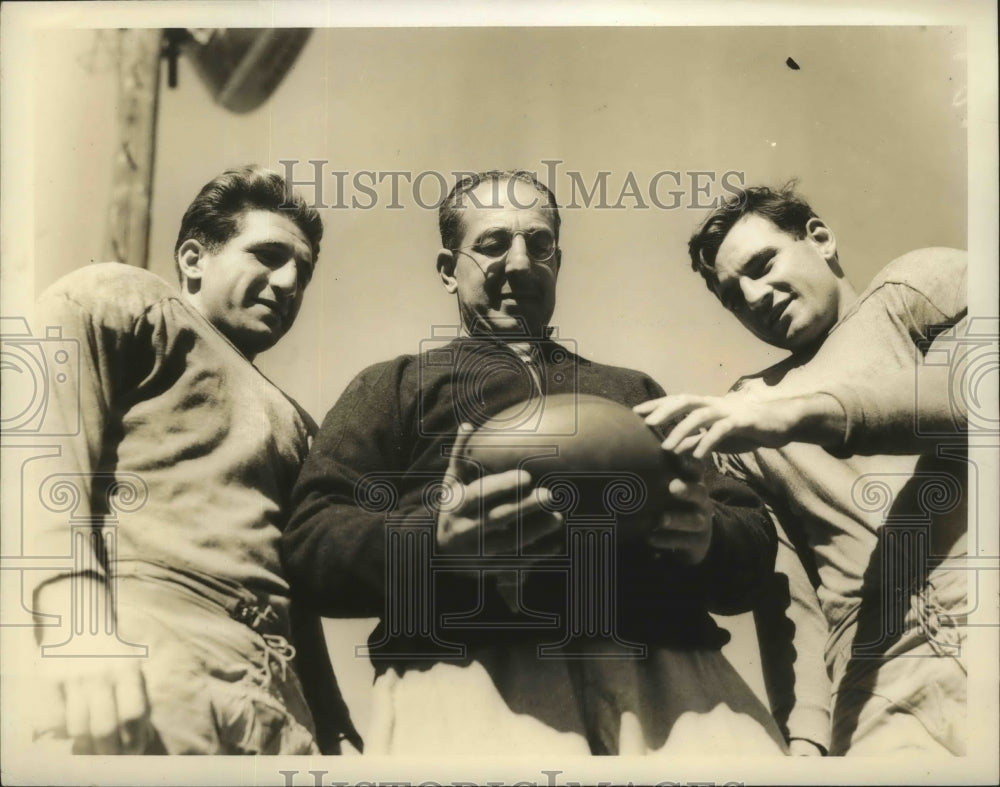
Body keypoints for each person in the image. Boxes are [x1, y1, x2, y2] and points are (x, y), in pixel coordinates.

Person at [283, 170, 788, 756]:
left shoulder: (631, 390)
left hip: (675, 684)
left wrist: (708, 537)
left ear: (557, 262)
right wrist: (434, 539)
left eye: (539, 244)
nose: (520, 263)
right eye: (494, 244)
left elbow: (750, 533)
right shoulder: (395, 384)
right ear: (449, 270)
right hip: (470, 686)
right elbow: (311, 540)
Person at [28, 165, 356, 754]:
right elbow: (39, 449)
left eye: (302, 272)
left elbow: (297, 589)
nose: (288, 283)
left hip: (278, 708)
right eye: (268, 256)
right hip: (147, 665)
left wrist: (330, 720)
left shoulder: (301, 425)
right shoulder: (125, 300)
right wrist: (76, 624)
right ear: (194, 258)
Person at [637, 184, 968, 755]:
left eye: (762, 266)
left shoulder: (915, 288)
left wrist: (793, 414)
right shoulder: (744, 418)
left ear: (820, 238)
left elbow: (974, 398)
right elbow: (790, 597)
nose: (755, 296)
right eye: (733, 296)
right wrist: (805, 735)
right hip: (874, 683)